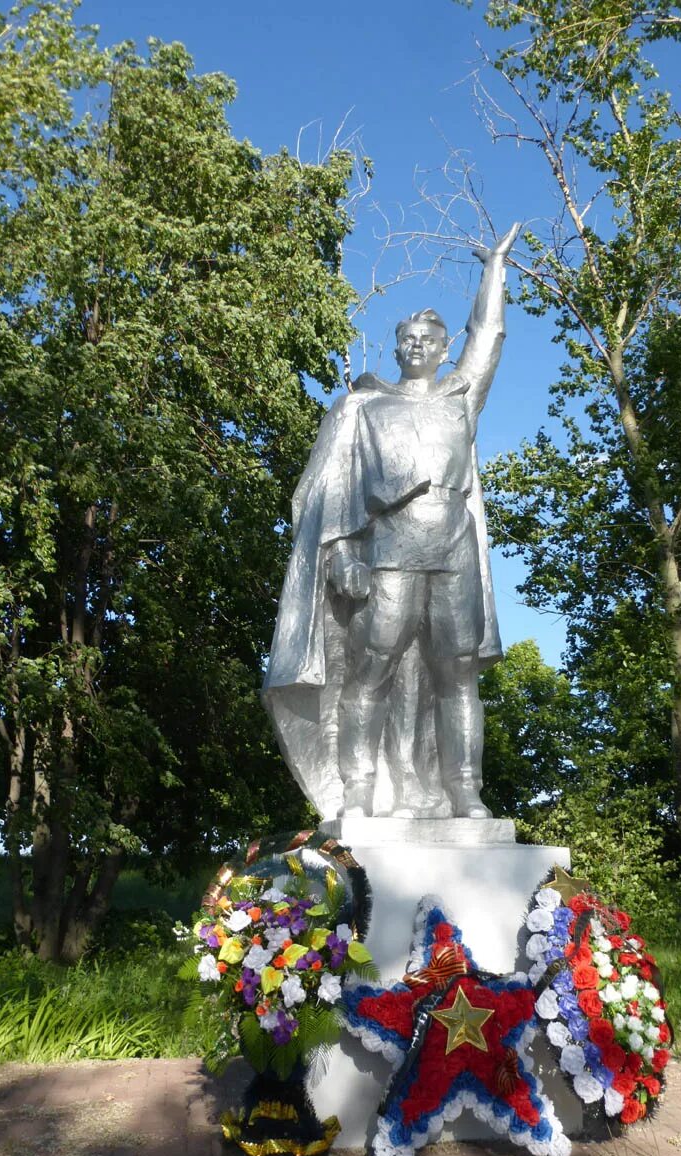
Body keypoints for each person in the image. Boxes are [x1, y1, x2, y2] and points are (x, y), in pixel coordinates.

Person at [263, 225, 520, 821]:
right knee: (371, 669)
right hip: (389, 548)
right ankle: (357, 788)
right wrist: (342, 553)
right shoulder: (365, 405)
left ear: (441, 346)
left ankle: (463, 788)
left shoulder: (460, 396)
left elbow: (489, 337)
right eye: (405, 338)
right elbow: (334, 489)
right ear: (397, 345)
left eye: (426, 340)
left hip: (452, 546)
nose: (414, 347)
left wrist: (494, 271)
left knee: (458, 674)